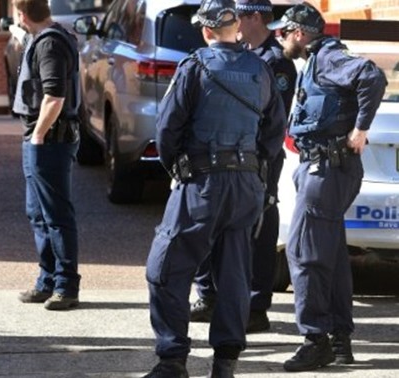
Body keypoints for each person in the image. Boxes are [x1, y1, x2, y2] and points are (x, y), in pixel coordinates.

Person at [142, 0, 287, 376]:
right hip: (245, 187)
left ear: (205, 30)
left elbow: (167, 130)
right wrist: (256, 177)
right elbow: (273, 134)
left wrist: (179, 169)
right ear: (237, 26)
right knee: (235, 274)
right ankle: (225, 363)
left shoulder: (195, 66)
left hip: (202, 183)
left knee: (166, 268)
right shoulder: (261, 68)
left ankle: (172, 359)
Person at [266, 4, 387, 372]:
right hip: (324, 168)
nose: (279, 36)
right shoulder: (318, 59)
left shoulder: (329, 57)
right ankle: (339, 343)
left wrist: (361, 128)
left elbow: (372, 76)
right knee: (331, 258)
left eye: (284, 31)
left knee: (303, 254)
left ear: (300, 33)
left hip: (327, 170)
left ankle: (315, 339)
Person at [190, 0, 297, 334]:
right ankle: (210, 296)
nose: (230, 22)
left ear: (253, 17)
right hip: (222, 157)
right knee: (212, 223)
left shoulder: (275, 61)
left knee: (258, 229)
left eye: (236, 16)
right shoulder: (237, 53)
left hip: (257, 159)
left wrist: (259, 159)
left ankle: (255, 306)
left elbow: (274, 119)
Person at [11, 0, 82, 311]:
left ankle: (65, 286)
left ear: (22, 15)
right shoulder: (48, 37)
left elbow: (54, 96)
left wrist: (38, 135)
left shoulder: (50, 44)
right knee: (38, 213)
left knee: (56, 216)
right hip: (43, 139)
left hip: (49, 141)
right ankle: (48, 281)